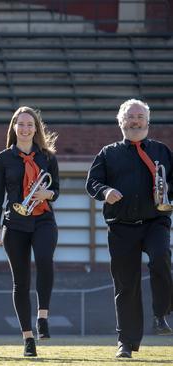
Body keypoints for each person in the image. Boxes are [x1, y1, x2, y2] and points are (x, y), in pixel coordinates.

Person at [86, 99, 173, 359]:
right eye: (130, 116)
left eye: (140, 116)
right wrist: (106, 191)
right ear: (121, 121)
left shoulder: (162, 151)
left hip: (155, 222)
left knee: (160, 259)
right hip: (121, 227)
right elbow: (92, 183)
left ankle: (161, 315)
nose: (135, 121)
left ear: (148, 121)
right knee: (126, 286)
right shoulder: (108, 153)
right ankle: (126, 341)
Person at [0, 106, 59, 357]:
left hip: (43, 219)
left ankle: (43, 316)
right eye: (21, 124)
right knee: (20, 281)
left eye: (30, 124)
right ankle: (28, 338)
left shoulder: (48, 157)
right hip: (15, 223)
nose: (26, 128)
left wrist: (47, 193)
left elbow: (56, 189)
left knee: (44, 260)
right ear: (14, 127)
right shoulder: (3, 159)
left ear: (36, 129)